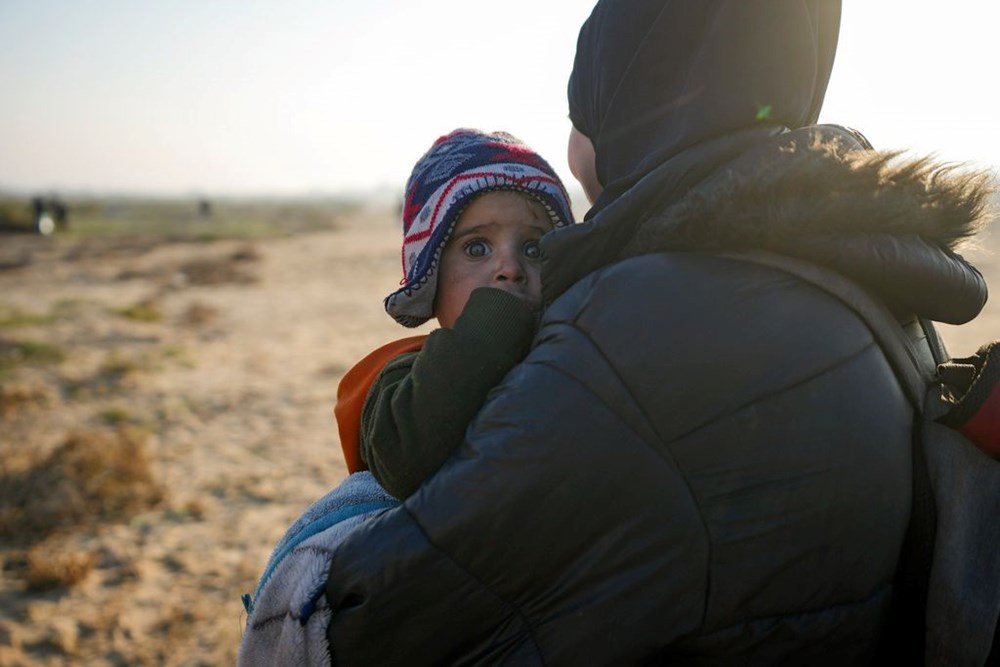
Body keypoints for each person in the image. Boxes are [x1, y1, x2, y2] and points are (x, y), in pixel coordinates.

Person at [312, 1, 994, 664]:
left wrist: (301, 575)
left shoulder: (638, 323)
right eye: (477, 248)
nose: (575, 142)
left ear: (638, 96)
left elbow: (381, 619)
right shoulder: (853, 263)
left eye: (583, 111)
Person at [334, 128, 575, 499]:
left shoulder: (578, 352)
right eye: (477, 248)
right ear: (431, 279)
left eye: (533, 248)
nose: (510, 268)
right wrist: (488, 331)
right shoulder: (401, 377)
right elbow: (402, 462)